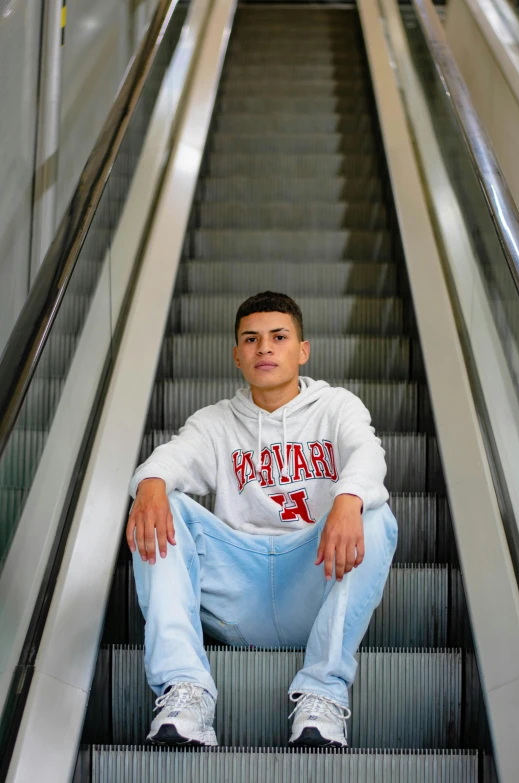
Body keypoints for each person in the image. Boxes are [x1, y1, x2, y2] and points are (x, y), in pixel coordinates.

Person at [126, 290, 398, 748]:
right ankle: (185, 692)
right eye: (251, 340)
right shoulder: (214, 422)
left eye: (278, 337)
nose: (264, 348)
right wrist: (150, 483)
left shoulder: (337, 408)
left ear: (302, 350)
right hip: (236, 593)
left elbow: (367, 453)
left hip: (311, 580)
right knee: (161, 504)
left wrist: (347, 499)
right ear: (237, 355)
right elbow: (172, 458)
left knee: (376, 516)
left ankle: (323, 694)